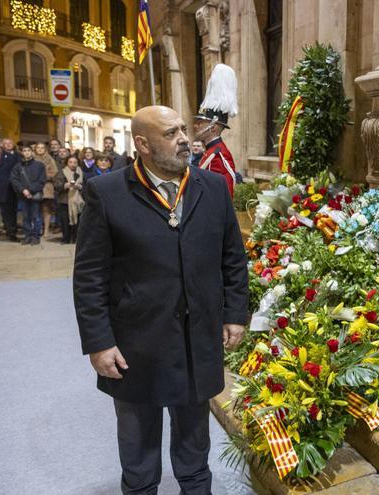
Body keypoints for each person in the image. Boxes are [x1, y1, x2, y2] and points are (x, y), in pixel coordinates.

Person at [73, 105, 248, 494]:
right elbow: (89, 276)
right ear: (143, 144)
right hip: (137, 344)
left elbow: (232, 257)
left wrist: (235, 312)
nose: (185, 138)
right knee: (139, 452)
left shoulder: (212, 187)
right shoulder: (107, 193)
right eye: (171, 133)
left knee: (194, 448)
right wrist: (99, 342)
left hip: (196, 342)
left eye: (184, 129)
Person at [192, 64, 238, 197]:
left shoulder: (218, 156)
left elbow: (220, 198)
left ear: (212, 126)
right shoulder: (211, 151)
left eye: (200, 122)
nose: (196, 126)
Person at [10, 144, 46, 245]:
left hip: (35, 195)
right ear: (22, 153)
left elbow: (42, 180)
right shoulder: (18, 166)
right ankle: (27, 235)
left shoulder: (39, 165)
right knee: (25, 217)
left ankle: (35, 236)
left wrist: (30, 190)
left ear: (32, 152)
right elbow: (14, 179)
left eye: (28, 150)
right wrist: (23, 190)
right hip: (23, 195)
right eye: (24, 151)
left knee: (36, 216)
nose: (26, 152)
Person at [54, 155, 84, 244]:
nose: (72, 164)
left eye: (75, 162)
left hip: (78, 201)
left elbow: (86, 185)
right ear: (67, 163)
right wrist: (65, 185)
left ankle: (76, 238)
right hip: (65, 200)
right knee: (65, 221)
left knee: (78, 221)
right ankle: (66, 238)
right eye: (70, 162)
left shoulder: (81, 172)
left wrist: (80, 187)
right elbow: (56, 185)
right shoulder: (62, 172)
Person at [36, 142, 59, 238]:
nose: (40, 149)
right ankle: (37, 229)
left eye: (42, 148)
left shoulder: (50, 159)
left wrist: (42, 177)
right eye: (38, 148)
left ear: (45, 149)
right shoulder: (32, 159)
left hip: (47, 187)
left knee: (46, 209)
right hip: (35, 187)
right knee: (36, 210)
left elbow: (54, 172)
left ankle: (46, 230)